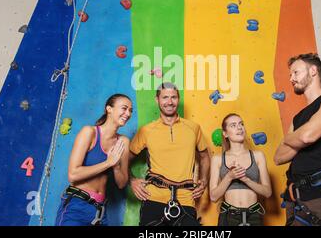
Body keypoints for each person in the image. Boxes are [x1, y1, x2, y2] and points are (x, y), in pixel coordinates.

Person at [274, 53, 321, 226]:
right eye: (290, 75)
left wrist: (291, 139)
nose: (291, 79)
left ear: (313, 71)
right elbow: (279, 157)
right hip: (295, 199)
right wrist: (299, 138)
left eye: (295, 72)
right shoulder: (298, 117)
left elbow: (307, 136)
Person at [129, 82, 211, 226]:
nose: (169, 102)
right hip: (153, 198)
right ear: (157, 100)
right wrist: (131, 180)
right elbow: (123, 160)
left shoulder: (193, 128)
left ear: (178, 100)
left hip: (186, 200)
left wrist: (203, 181)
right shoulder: (146, 130)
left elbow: (204, 157)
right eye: (165, 97)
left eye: (173, 97)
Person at [55, 94, 132, 226]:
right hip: (76, 207)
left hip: (100, 211)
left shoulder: (123, 142)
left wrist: (116, 166)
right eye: (124, 108)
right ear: (109, 109)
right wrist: (108, 162)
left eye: (130, 110)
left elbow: (121, 183)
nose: (128, 113)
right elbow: (73, 175)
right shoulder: (89, 132)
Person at [210, 114, 272, 226]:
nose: (239, 128)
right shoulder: (217, 159)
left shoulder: (258, 156)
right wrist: (229, 177)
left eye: (241, 124)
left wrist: (246, 179)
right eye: (233, 125)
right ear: (225, 134)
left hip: (253, 216)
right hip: (228, 216)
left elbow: (267, 192)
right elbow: (213, 196)